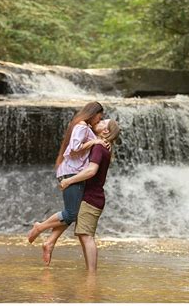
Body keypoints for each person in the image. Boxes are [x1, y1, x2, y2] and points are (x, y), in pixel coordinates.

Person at [27, 101, 109, 265]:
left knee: (72, 213)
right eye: (99, 117)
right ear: (93, 113)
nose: (100, 120)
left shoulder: (85, 127)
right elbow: (74, 147)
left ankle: (49, 242)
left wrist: (99, 140)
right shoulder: (82, 125)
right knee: (71, 213)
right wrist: (95, 142)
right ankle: (40, 227)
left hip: (74, 172)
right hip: (71, 172)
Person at [59, 119, 120, 272]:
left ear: (105, 131)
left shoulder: (99, 148)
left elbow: (91, 171)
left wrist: (69, 181)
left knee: (87, 236)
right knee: (84, 236)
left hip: (92, 197)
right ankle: (90, 274)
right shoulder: (100, 145)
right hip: (93, 196)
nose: (98, 122)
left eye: (102, 122)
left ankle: (92, 276)